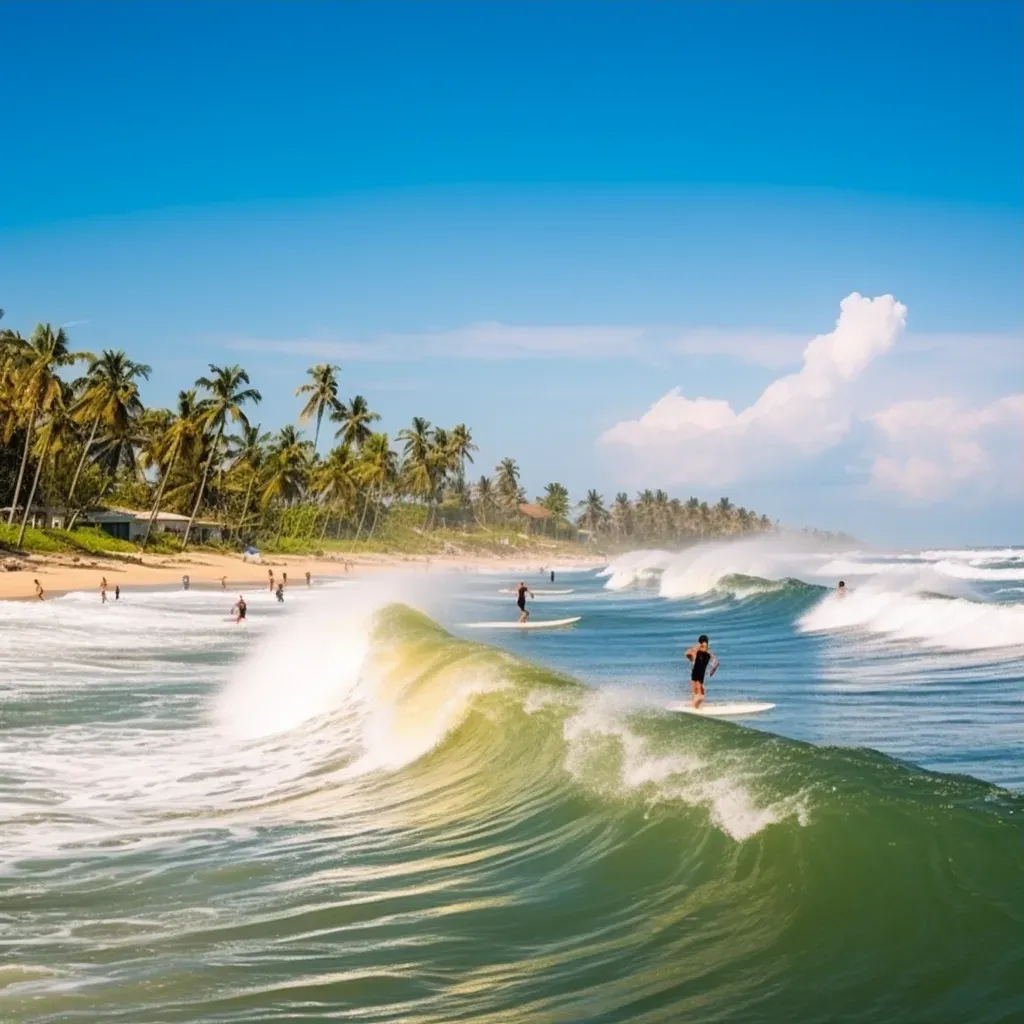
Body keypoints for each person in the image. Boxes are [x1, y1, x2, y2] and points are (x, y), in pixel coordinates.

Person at [684, 634, 719, 709]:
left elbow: (687, 653)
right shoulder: (708, 653)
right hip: (701, 670)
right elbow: (716, 662)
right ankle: (698, 701)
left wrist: (691, 656)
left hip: (696, 669)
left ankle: (695, 705)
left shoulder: (698, 648)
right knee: (700, 685)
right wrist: (713, 670)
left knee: (696, 686)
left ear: (700, 641)